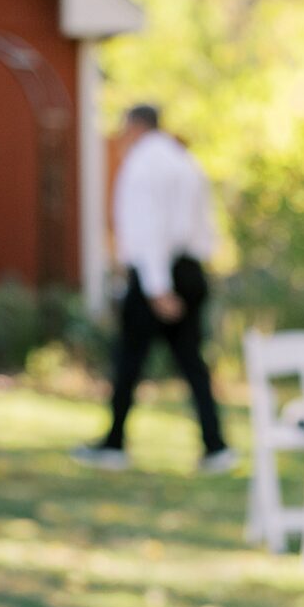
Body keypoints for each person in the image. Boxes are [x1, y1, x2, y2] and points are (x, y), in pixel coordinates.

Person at [72, 104, 232, 472]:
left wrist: (157, 285)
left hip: (156, 274)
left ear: (135, 127)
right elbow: (204, 226)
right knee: (193, 363)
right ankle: (215, 445)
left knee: (129, 360)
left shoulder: (143, 166)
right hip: (190, 270)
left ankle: (114, 443)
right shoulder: (185, 162)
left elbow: (148, 229)